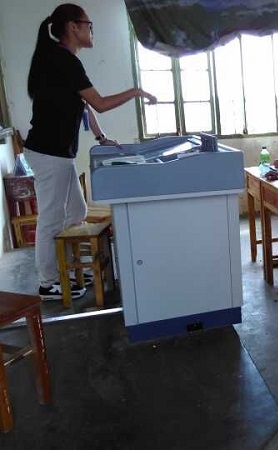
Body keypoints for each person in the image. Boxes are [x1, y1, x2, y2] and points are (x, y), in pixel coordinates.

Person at [23, 4, 157, 301]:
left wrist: (101, 137)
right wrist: (136, 91)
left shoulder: (60, 59)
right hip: (48, 152)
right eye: (88, 24)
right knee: (51, 218)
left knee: (76, 212)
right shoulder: (63, 60)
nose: (91, 30)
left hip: (58, 153)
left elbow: (83, 105)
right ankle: (48, 283)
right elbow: (100, 103)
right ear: (73, 27)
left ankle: (66, 270)